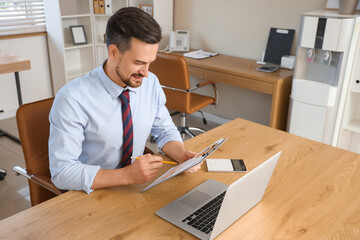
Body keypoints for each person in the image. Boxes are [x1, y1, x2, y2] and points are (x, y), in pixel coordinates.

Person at [48, 7, 199, 194]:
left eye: (150, 62)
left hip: (134, 188)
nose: (146, 73)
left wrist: (181, 154)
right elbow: (62, 172)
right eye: (139, 63)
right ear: (113, 52)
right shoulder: (72, 100)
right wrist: (127, 175)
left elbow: (165, 130)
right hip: (92, 193)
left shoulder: (150, 83)